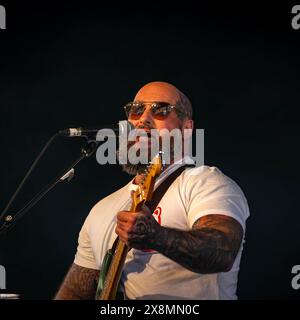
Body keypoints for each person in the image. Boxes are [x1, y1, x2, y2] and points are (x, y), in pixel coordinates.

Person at [55, 81, 249, 300]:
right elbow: (74, 293)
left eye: (161, 110)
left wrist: (156, 236)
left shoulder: (206, 182)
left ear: (186, 129)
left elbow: (222, 252)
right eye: (136, 110)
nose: (143, 119)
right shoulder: (101, 209)